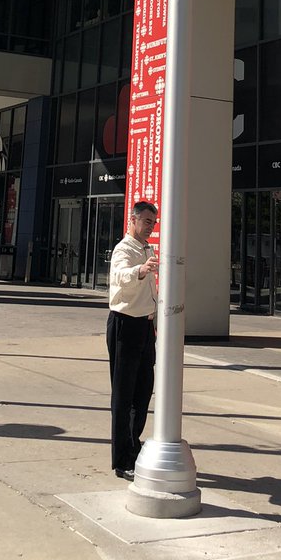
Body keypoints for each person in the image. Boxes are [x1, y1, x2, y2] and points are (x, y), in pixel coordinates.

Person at [107, 201, 159, 481]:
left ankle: (133, 446)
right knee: (123, 394)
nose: (150, 226)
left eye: (153, 222)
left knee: (143, 391)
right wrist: (140, 270)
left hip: (145, 326)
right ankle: (122, 458)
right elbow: (119, 277)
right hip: (125, 324)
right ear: (134, 219)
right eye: (147, 221)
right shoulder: (124, 249)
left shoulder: (147, 249)